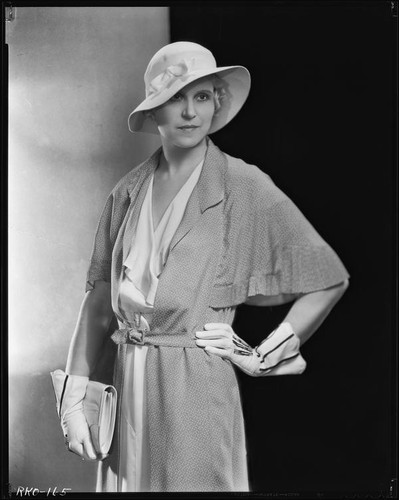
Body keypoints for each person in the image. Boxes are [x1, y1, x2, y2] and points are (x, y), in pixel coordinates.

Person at [50, 41, 350, 492]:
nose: (190, 112)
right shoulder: (126, 193)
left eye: (203, 96)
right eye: (175, 97)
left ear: (216, 104)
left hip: (194, 391)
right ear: (153, 111)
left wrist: (260, 357)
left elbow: (327, 277)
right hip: (126, 384)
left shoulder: (243, 185)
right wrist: (73, 397)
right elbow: (97, 300)